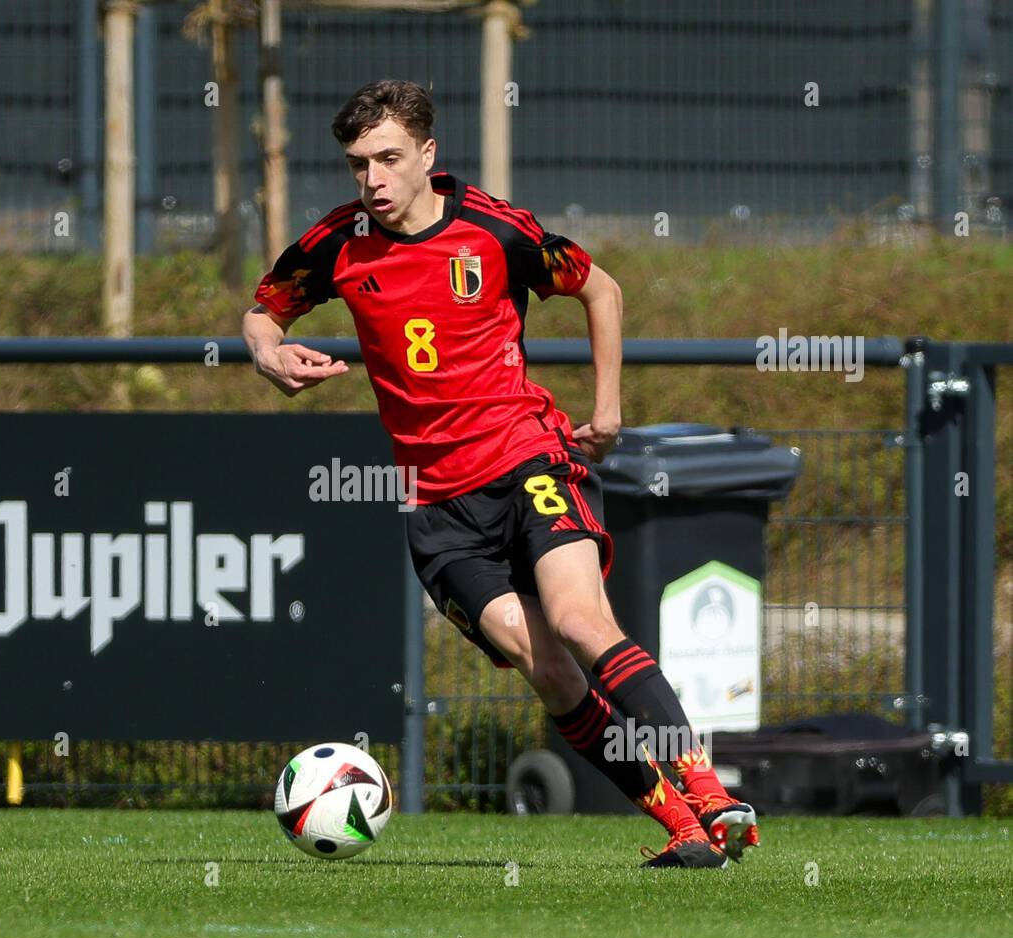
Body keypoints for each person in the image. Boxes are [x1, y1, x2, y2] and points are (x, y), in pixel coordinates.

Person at [242, 79, 758, 867]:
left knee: (582, 622)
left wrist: (609, 409)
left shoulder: (491, 229)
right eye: (357, 165)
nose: (372, 180)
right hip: (439, 507)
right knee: (545, 668)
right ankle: (683, 831)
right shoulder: (337, 245)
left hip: (529, 458)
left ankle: (707, 787)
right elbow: (264, 308)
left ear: (427, 153)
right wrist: (268, 353)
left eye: (387, 159)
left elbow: (600, 287)